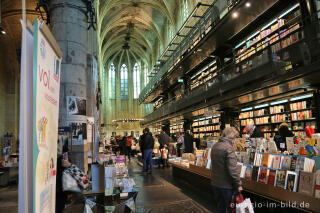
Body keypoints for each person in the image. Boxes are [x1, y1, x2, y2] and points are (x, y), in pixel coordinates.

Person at [211, 127, 242, 213]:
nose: (235, 141)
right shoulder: (229, 148)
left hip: (215, 183)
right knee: (230, 209)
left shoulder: (215, 146)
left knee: (220, 207)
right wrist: (238, 184)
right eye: (235, 138)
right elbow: (232, 170)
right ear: (232, 137)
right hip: (226, 186)